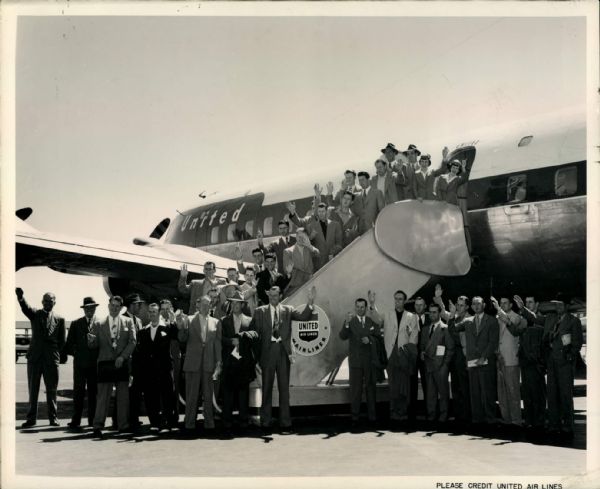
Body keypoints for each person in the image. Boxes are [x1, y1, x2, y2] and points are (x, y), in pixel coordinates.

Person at [247, 285, 317, 433]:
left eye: (276, 295)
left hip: (283, 353)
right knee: (266, 388)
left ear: (280, 296)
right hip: (267, 353)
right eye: (270, 295)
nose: (273, 298)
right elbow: (253, 335)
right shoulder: (260, 312)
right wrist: (256, 357)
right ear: (268, 296)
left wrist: (310, 302)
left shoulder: (288, 310)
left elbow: (304, 317)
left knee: (284, 389)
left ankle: (285, 422)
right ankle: (265, 421)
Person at [16, 288, 66, 428]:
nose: (47, 303)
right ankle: (31, 419)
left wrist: (57, 355)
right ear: (41, 302)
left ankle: (53, 418)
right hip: (35, 359)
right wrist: (21, 298)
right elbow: (25, 308)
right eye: (45, 301)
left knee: (52, 390)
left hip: (51, 359)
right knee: (33, 389)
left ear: (54, 303)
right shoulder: (35, 314)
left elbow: (62, 341)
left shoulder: (60, 319)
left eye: (50, 301)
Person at [88, 296, 136, 438]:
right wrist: (91, 340)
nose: (115, 308)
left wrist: (123, 357)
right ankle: (97, 426)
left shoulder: (128, 321)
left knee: (123, 397)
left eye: (117, 306)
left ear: (121, 308)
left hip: (122, 363)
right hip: (105, 364)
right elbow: (93, 345)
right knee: (103, 397)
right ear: (108, 306)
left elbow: (133, 341)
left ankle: (123, 426)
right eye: (112, 305)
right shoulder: (98, 323)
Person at [370, 290, 418, 429]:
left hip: (404, 354)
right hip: (390, 354)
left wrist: (408, 352)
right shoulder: (388, 314)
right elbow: (377, 319)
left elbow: (414, 336)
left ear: (404, 300)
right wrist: (372, 305)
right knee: (393, 385)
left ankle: (403, 413)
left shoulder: (411, 316)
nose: (398, 301)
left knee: (404, 386)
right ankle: (393, 413)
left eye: (401, 299)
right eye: (396, 299)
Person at [176, 296, 222, 437]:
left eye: (208, 304)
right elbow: (182, 339)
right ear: (197, 305)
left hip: (209, 363)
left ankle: (209, 424)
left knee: (209, 396)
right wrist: (180, 325)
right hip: (193, 363)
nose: (205, 307)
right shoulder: (188, 320)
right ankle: (189, 423)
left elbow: (217, 344)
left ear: (211, 306)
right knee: (191, 396)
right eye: (203, 304)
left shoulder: (216, 322)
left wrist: (219, 363)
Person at [452, 296, 499, 430]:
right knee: (475, 392)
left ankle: (490, 419)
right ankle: (477, 420)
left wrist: (483, 357)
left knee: (487, 391)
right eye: (474, 304)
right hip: (472, 361)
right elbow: (453, 329)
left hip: (486, 360)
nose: (476, 306)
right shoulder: (468, 321)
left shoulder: (491, 321)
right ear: (471, 307)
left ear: (483, 305)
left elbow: (493, 342)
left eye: (478, 304)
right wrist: (451, 315)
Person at [540, 295, 583, 438]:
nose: (558, 308)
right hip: (552, 361)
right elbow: (536, 319)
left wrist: (569, 355)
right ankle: (554, 424)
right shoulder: (552, 319)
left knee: (565, 395)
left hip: (564, 363)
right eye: (556, 305)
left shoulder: (573, 321)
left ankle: (567, 426)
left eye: (560, 305)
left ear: (566, 306)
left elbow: (577, 342)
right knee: (552, 394)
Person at [339, 295, 382, 430]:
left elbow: (378, 336)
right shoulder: (350, 322)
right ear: (355, 307)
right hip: (356, 362)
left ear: (365, 308)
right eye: (357, 307)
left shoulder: (370, 321)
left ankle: (372, 417)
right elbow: (342, 336)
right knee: (355, 390)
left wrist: (369, 339)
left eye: (362, 307)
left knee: (371, 389)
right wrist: (346, 323)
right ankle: (355, 417)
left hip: (369, 361)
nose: (360, 309)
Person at [137, 303, 179, 432]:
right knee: (151, 398)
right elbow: (142, 353)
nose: (152, 314)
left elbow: (175, 336)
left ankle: (167, 423)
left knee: (167, 397)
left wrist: (173, 322)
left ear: (159, 313)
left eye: (154, 311)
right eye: (150, 312)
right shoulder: (143, 331)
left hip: (164, 369)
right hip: (149, 371)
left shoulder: (167, 328)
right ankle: (154, 422)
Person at [220, 292, 256, 435]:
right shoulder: (223, 320)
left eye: (237, 303)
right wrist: (231, 342)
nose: (235, 306)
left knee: (243, 394)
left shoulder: (249, 320)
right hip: (229, 362)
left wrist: (244, 338)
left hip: (244, 363)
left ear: (242, 305)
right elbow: (220, 339)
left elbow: (255, 337)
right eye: (233, 303)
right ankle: (227, 422)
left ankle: (243, 422)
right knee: (228, 394)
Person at [64, 296, 100, 429]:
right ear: (84, 309)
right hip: (79, 365)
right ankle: (76, 420)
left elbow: (103, 344)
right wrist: (78, 353)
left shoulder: (100, 324)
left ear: (95, 309)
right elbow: (69, 345)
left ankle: (92, 420)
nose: (90, 310)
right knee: (78, 393)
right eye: (87, 308)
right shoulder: (75, 324)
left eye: (92, 308)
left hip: (94, 365)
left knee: (93, 393)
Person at [513, 295, 547, 432]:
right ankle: (529, 420)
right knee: (527, 393)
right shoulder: (524, 320)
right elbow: (516, 332)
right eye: (526, 302)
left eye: (530, 302)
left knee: (538, 394)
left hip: (536, 363)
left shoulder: (541, 319)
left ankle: (539, 421)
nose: (527, 304)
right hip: (526, 362)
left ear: (537, 304)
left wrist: (522, 308)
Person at [491, 296, 527, 428]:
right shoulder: (498, 317)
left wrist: (498, 309)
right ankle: (506, 418)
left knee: (513, 390)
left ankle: (516, 419)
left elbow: (510, 323)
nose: (503, 305)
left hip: (511, 358)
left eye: (505, 303)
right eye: (501, 303)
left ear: (511, 305)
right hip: (500, 357)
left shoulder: (515, 317)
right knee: (502, 391)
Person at [419, 303, 454, 425]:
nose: (432, 314)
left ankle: (443, 416)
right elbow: (422, 346)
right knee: (430, 393)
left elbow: (450, 348)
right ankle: (431, 415)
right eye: (430, 312)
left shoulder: (445, 328)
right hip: (428, 365)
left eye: (435, 312)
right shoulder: (424, 329)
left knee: (443, 393)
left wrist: (445, 366)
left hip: (440, 366)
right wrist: (422, 353)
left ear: (439, 313)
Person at [287, 201, 342, 270]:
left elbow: (339, 243)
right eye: (318, 211)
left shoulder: (335, 224)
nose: (320, 213)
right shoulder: (310, 224)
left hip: (334, 261)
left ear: (326, 211)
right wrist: (292, 212)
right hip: (318, 264)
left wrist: (332, 253)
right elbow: (300, 224)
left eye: (323, 211)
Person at [447, 295, 472, 427]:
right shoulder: (457, 317)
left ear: (467, 307)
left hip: (463, 356)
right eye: (458, 304)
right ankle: (458, 415)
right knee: (456, 386)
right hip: (455, 356)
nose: (459, 307)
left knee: (464, 387)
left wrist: (451, 315)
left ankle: (466, 416)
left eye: (462, 305)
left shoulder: (468, 319)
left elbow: (453, 331)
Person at [123, 293, 145, 431]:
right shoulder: (122, 319)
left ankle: (134, 418)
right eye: (138, 304)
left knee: (135, 391)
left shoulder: (139, 320)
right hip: (126, 362)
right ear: (131, 305)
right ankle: (120, 419)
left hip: (137, 363)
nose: (140, 307)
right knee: (124, 392)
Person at [159, 298, 182, 427]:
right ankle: (164, 416)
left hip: (174, 359)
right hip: (161, 360)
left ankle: (175, 416)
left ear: (172, 309)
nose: (165, 312)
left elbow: (179, 337)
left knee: (175, 388)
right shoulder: (156, 323)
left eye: (168, 309)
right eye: (162, 309)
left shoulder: (177, 321)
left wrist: (173, 322)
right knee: (163, 388)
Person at [282, 227, 320, 296]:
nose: (301, 239)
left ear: (307, 237)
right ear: (296, 237)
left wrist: (309, 245)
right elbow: (286, 270)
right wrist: (288, 272)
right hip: (295, 288)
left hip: (310, 284)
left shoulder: (309, 249)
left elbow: (318, 254)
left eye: (303, 237)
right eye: (299, 237)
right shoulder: (288, 251)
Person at [409, 296, 430, 422]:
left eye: (421, 305)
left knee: (427, 384)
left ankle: (429, 412)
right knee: (411, 385)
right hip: (412, 356)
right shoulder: (409, 318)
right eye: (416, 305)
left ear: (425, 306)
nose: (418, 307)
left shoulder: (430, 317)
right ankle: (412, 414)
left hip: (426, 356)